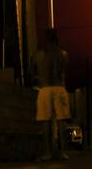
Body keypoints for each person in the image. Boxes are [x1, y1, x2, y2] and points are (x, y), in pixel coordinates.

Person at [32, 28, 71, 161]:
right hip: (59, 88)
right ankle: (63, 152)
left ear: (45, 39)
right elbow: (64, 70)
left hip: (45, 89)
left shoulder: (39, 55)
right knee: (61, 122)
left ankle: (47, 152)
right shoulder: (63, 54)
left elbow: (33, 71)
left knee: (45, 121)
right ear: (56, 39)